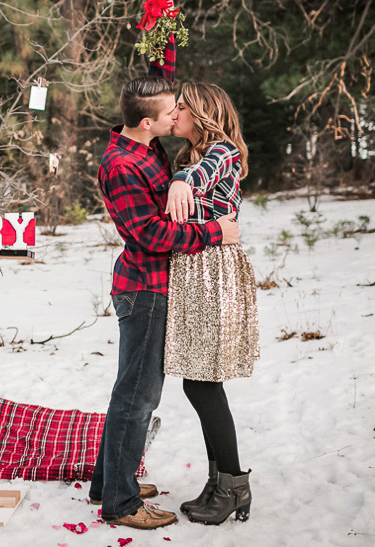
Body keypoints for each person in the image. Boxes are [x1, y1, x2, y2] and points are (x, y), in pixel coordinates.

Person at [88, 40, 241, 528]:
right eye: (172, 110)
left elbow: (158, 90)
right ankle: (121, 503)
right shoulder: (123, 165)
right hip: (146, 289)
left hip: (156, 286)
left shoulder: (145, 140)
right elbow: (151, 235)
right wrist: (216, 231)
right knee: (137, 396)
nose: (178, 114)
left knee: (130, 391)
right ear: (149, 122)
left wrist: (164, 35)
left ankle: (108, 483)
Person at [163, 81, 260, 525]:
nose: (174, 112)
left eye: (181, 106)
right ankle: (220, 479)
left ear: (202, 113)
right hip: (194, 269)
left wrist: (182, 180)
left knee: (202, 382)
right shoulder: (190, 156)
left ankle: (234, 484)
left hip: (213, 271)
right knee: (198, 380)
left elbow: (201, 176)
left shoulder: (221, 152)